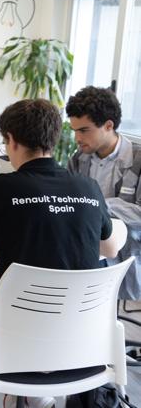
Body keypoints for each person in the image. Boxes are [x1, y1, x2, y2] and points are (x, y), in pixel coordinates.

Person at [0, 99, 127, 408]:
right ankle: (34, 395)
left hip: (16, 332)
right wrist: (116, 225)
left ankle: (30, 393)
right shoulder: (88, 187)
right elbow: (109, 248)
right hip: (81, 330)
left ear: (11, 139)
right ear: (54, 138)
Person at [66, 86, 141, 296]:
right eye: (74, 131)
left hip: (127, 254)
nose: (77, 138)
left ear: (108, 125)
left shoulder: (138, 160)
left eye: (83, 130)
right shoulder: (78, 159)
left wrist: (98, 204)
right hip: (87, 248)